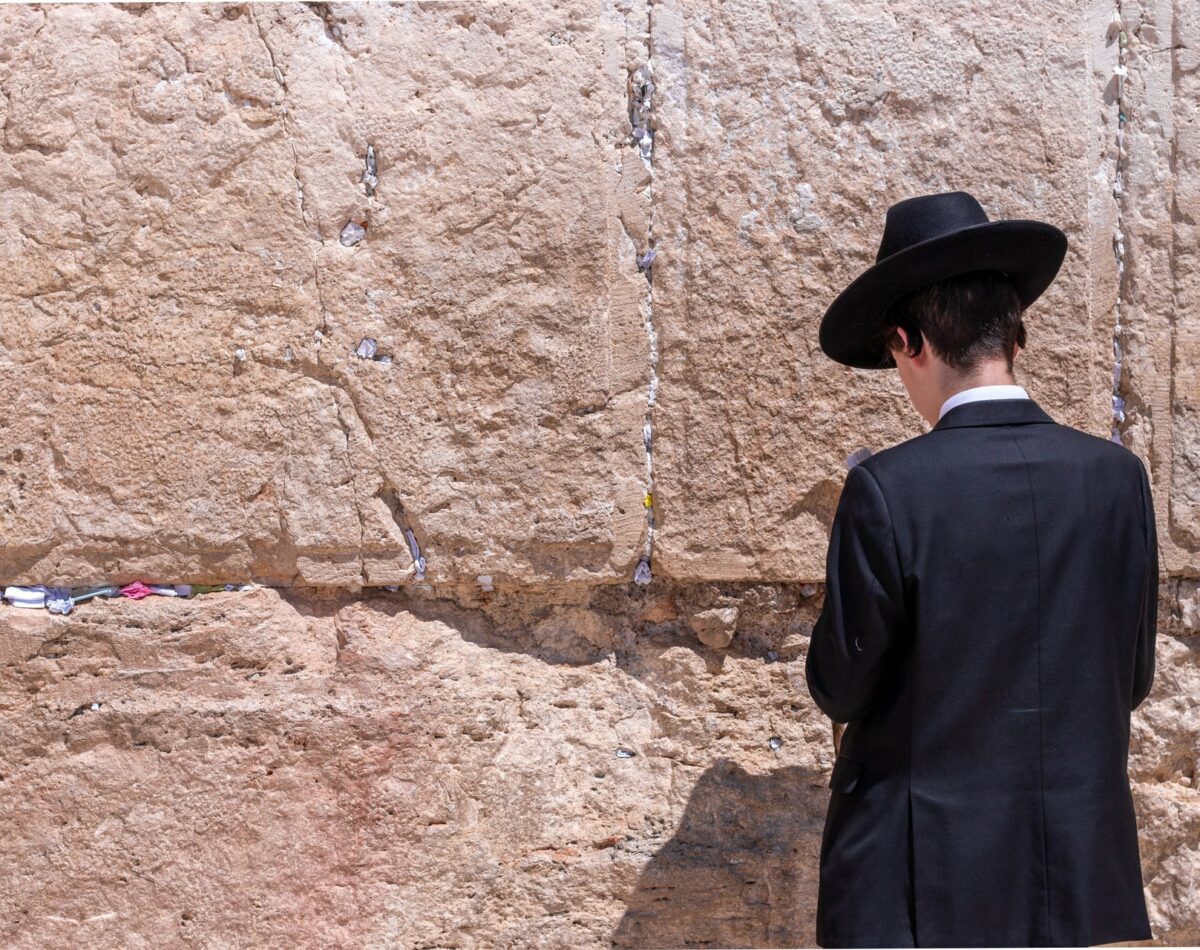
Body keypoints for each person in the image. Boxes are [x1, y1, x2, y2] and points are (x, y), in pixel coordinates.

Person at [805, 191, 1158, 948]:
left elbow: (841, 686)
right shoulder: (1116, 478)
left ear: (907, 341)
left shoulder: (888, 488)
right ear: (1015, 339)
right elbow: (1129, 678)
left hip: (916, 883)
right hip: (1071, 880)